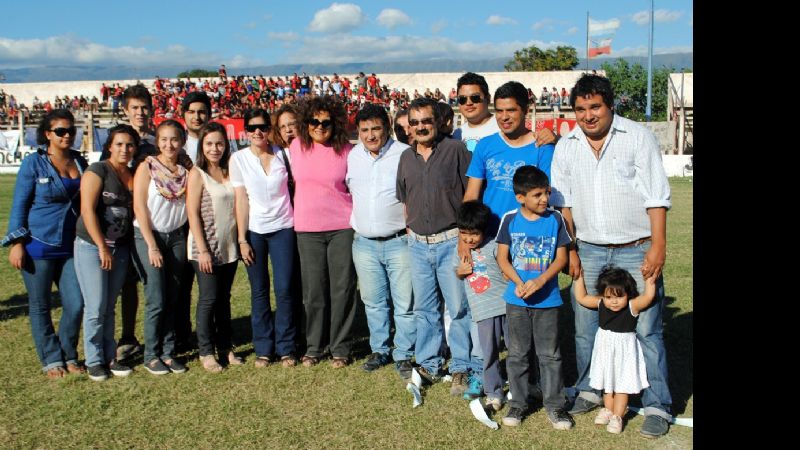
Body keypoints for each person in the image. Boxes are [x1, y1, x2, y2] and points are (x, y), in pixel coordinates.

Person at [550, 74, 673, 438]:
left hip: (636, 248)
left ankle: (656, 404)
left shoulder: (637, 136)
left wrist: (659, 246)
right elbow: (564, 204)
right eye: (581, 109)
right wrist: (571, 249)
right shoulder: (567, 145)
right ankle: (590, 388)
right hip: (587, 248)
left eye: (595, 107)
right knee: (586, 328)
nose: (588, 116)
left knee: (647, 330)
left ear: (609, 105)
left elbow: (656, 197)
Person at [395, 97, 481, 395]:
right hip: (418, 245)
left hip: (450, 241)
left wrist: (465, 240)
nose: (421, 127)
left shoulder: (456, 150)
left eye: (426, 121)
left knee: (458, 308)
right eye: (415, 122)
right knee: (425, 309)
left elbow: (472, 194)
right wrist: (412, 235)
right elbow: (406, 199)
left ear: (438, 123)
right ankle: (429, 363)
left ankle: (460, 366)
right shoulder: (406, 157)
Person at [2, 109, 87, 379]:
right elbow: (20, 205)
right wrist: (16, 242)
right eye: (60, 131)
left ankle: (69, 353)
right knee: (40, 306)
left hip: (72, 244)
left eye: (71, 130)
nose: (67, 135)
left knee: (76, 303)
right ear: (48, 134)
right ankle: (52, 359)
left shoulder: (80, 161)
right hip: (38, 244)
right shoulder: (33, 163)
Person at [495, 165, 574, 430]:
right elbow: (502, 258)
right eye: (537, 194)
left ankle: (555, 405)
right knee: (517, 353)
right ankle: (518, 402)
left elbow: (561, 258)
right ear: (520, 197)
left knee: (549, 355)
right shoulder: (509, 219)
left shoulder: (555, 220)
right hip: (517, 300)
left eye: (547, 193)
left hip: (548, 300)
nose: (544, 199)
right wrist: (519, 283)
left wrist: (541, 280)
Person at [345, 104, 415, 378]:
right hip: (364, 242)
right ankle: (380, 349)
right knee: (373, 301)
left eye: (376, 128)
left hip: (399, 240)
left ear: (386, 128)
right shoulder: (352, 156)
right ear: (358, 131)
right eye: (365, 130)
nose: (371, 135)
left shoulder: (403, 154)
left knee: (404, 302)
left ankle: (405, 353)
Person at [289, 96, 357, 369]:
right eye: (314, 121)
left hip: (342, 227)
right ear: (306, 123)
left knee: (342, 289)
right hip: (307, 229)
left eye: (326, 122)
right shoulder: (295, 147)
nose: (320, 126)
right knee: (314, 291)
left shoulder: (347, 151)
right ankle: (315, 346)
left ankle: (340, 347)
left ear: (336, 123)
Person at [232, 109, 297, 368]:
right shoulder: (239, 159)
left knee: (284, 290)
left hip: (284, 227)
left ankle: (286, 347)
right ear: (246, 130)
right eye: (252, 127)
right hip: (255, 231)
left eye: (263, 127)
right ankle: (263, 347)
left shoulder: (285, 155)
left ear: (270, 129)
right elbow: (241, 200)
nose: (258, 132)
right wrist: (242, 238)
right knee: (259, 291)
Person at [74, 124, 137, 381]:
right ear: (109, 146)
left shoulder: (133, 174)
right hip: (91, 246)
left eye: (129, 144)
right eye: (119, 144)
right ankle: (93, 359)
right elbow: (87, 210)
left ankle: (110, 357)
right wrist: (101, 246)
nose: (124, 149)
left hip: (119, 248)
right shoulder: (97, 170)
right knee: (96, 305)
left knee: (110, 305)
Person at [132, 119, 191, 376]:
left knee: (173, 296)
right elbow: (139, 207)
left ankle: (168, 353)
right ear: (157, 142)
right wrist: (151, 245)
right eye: (164, 139)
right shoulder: (147, 167)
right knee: (156, 297)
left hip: (176, 237)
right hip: (148, 236)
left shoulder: (186, 170)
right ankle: (151, 354)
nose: (169, 144)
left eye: (174, 139)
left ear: (182, 141)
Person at [186, 122, 243, 373]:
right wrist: (203, 250)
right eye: (209, 143)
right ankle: (206, 351)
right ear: (202, 146)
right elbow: (192, 212)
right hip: (205, 248)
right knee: (208, 299)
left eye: (219, 143)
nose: (214, 148)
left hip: (228, 247)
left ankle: (225, 347)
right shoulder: (198, 173)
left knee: (224, 300)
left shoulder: (231, 170)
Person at [573, 266, 655, 434]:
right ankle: (608, 410)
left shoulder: (632, 306)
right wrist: (578, 277)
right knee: (607, 384)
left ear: (628, 294)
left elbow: (647, 297)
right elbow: (581, 297)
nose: (614, 301)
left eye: (619, 296)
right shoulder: (601, 303)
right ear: (603, 295)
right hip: (605, 351)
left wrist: (650, 279)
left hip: (624, 353)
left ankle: (618, 416)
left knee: (621, 386)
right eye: (608, 297)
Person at [454, 200, 508, 410]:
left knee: (516, 349)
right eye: (464, 233)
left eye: (474, 234)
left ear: (484, 231)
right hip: (483, 311)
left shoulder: (495, 246)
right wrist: (460, 272)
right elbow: (457, 273)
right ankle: (493, 392)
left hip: (505, 307)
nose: (469, 239)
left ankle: (521, 386)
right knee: (489, 353)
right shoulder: (460, 251)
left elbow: (506, 270)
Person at [182, 91, 211, 163]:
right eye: (191, 112)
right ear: (183, 115)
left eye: (201, 112)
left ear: (209, 115)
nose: (197, 117)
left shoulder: (219, 144)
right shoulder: (176, 143)